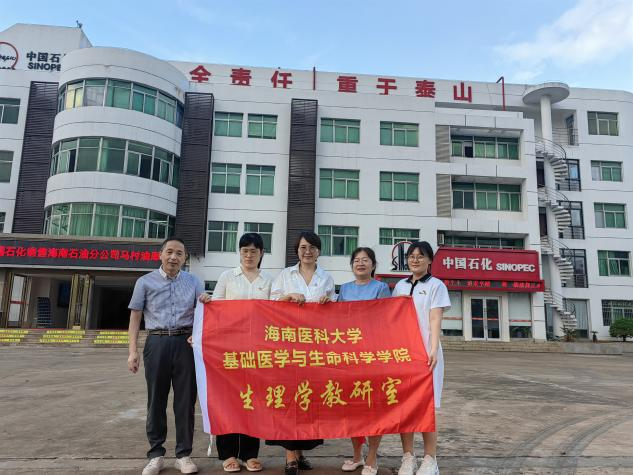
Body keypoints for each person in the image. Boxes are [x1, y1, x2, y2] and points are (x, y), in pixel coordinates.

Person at [128, 237, 210, 475]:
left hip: (186, 344)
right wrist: (132, 351)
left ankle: (183, 455)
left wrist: (206, 302)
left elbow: (203, 312)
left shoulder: (194, 282)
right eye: (170, 252)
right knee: (156, 400)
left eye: (179, 253)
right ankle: (156, 455)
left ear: (185, 258)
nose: (174, 257)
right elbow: (135, 317)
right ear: (161, 254)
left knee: (185, 401)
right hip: (157, 342)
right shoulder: (144, 282)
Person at [267, 231, 336, 475]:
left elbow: (335, 310)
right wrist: (287, 296)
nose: (307, 251)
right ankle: (290, 457)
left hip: (314, 348)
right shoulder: (286, 274)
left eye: (312, 247)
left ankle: (300, 453)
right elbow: (270, 304)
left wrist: (329, 302)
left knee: (307, 399)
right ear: (297, 250)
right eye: (303, 247)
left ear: (319, 251)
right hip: (287, 347)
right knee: (289, 399)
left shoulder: (326, 277)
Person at [210, 233, 273, 473]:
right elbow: (214, 310)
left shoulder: (269, 279)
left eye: (254, 251)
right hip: (228, 349)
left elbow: (276, 311)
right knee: (227, 400)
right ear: (239, 253)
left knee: (252, 400)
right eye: (245, 250)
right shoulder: (227, 277)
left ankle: (250, 454)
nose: (249, 255)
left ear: (261, 254)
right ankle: (227, 454)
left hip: (258, 350)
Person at [391, 241, 450, 475]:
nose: (415, 260)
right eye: (411, 256)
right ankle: (408, 457)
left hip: (427, 354)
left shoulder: (436, 285)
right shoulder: (400, 286)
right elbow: (392, 318)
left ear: (430, 260)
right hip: (403, 354)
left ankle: (430, 459)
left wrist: (432, 348)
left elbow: (435, 319)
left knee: (427, 408)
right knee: (405, 407)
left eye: (420, 256)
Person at [338, 247, 390, 475]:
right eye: (356, 260)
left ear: (373, 265)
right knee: (353, 407)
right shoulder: (345, 289)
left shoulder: (381, 288)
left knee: (373, 406)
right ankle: (357, 455)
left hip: (372, 354)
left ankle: (372, 457)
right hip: (349, 355)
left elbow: (385, 319)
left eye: (365, 260)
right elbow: (337, 319)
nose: (360, 263)